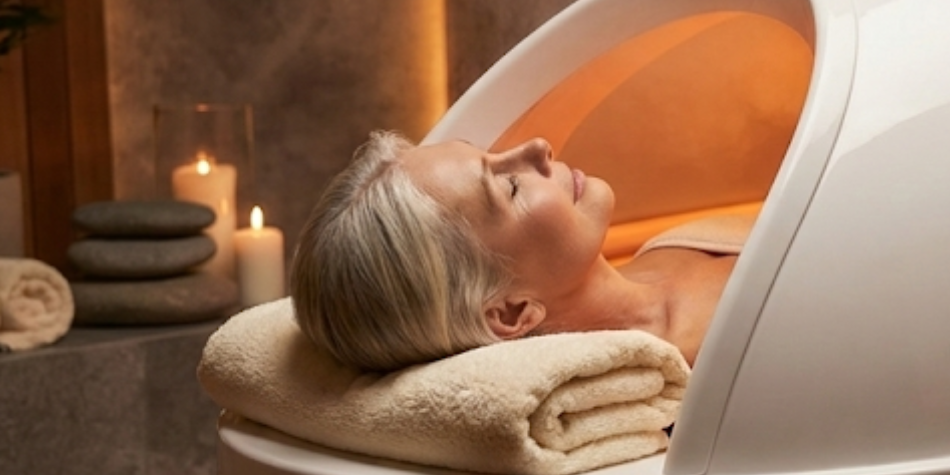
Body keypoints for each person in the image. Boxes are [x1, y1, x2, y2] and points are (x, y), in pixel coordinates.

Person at [289, 131, 741, 372]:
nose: (538, 148)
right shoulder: (715, 366)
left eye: (493, 153)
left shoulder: (668, 249)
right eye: (510, 186)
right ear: (509, 312)